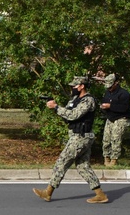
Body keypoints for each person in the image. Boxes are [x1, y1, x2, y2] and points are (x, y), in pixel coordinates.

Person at [33, 76, 108, 204]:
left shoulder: (88, 100)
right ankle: (100, 194)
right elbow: (67, 116)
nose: (72, 88)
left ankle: (48, 192)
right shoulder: (74, 99)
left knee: (62, 162)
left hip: (81, 136)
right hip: (76, 135)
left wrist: (56, 107)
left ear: (82, 86)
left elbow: (74, 115)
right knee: (83, 166)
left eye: (75, 86)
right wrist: (55, 108)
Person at [99, 73, 130, 167]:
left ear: (116, 83)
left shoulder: (124, 94)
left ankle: (114, 159)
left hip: (121, 118)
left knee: (116, 138)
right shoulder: (107, 93)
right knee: (106, 139)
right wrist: (103, 107)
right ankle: (106, 157)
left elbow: (124, 108)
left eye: (110, 87)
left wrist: (110, 106)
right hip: (110, 117)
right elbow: (104, 102)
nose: (109, 89)